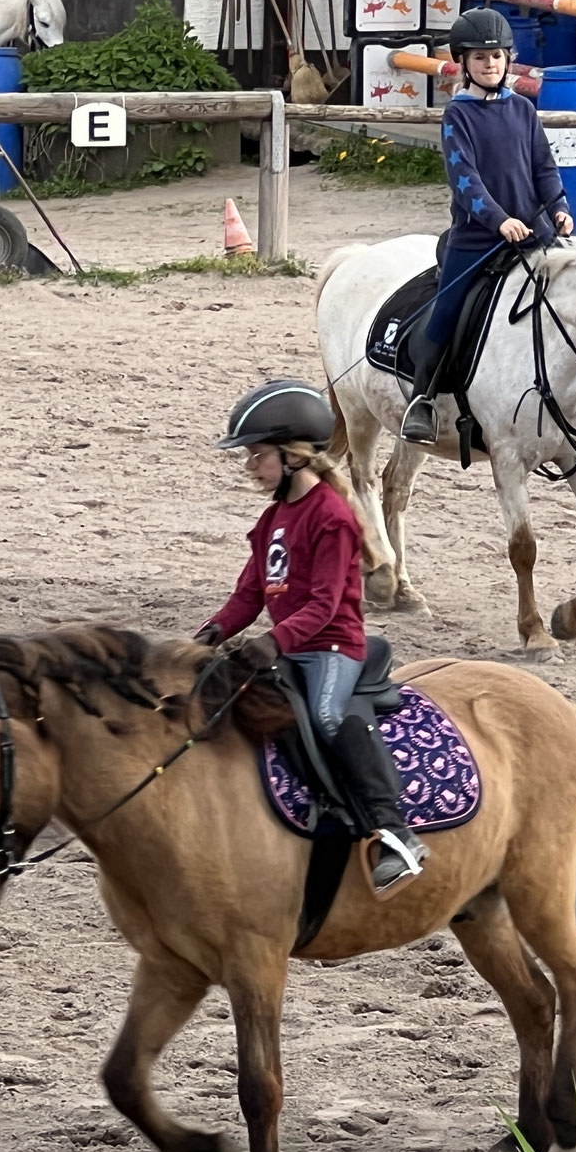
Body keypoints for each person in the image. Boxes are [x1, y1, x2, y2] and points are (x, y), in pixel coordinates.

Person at [196, 379, 428, 893]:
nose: (250, 468)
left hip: (332, 646)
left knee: (325, 715)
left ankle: (394, 832)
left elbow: (325, 605)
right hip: (291, 646)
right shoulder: (272, 519)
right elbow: (248, 596)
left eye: (257, 457)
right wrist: (207, 636)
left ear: (294, 457)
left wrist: (275, 641)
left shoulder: (331, 516)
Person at [402, 7, 576, 445]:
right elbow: (467, 182)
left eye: (496, 56)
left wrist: (559, 207)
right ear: (463, 63)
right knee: (445, 313)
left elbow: (544, 166)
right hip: (478, 237)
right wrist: (500, 221)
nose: (489, 63)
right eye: (480, 57)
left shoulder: (523, 110)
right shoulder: (457, 116)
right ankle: (422, 398)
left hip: (535, 231)